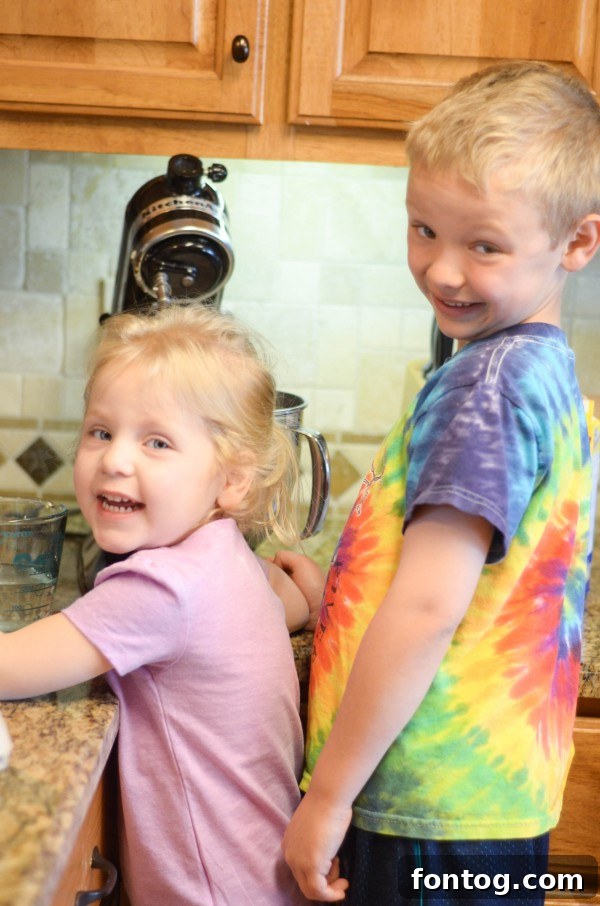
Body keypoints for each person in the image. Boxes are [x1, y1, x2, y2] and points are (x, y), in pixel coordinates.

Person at [277, 61, 600, 904]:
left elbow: (427, 609)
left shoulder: (484, 389)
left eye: (482, 245)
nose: (443, 270)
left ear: (577, 242)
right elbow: (464, 582)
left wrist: (329, 795)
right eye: (424, 230)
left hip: (419, 811)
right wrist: (335, 595)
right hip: (487, 809)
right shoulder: (540, 369)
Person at [0, 304, 311, 905]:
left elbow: (9, 668)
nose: (116, 459)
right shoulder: (224, 556)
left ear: (232, 481)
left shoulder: (161, 588)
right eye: (100, 431)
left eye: (158, 442)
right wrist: (309, 592)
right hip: (260, 879)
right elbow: (286, 603)